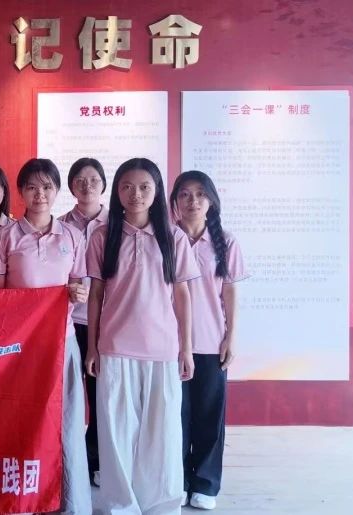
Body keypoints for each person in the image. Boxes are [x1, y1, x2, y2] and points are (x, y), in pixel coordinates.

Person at [84, 158, 200, 515]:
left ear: (157, 191)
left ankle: (160, 504)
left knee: (162, 434)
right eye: (127, 186)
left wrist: (186, 348)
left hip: (162, 349)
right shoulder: (103, 236)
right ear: (117, 191)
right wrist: (92, 347)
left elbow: (182, 295)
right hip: (115, 347)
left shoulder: (173, 237)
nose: (136, 194)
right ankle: (120, 504)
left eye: (144, 187)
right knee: (116, 434)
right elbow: (96, 295)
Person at [0, 158, 91, 515]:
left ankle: (69, 503)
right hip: (19, 347)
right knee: (22, 420)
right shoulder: (5, 236)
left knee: (66, 423)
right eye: (32, 187)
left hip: (62, 343)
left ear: (57, 191)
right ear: (20, 192)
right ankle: (19, 500)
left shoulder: (72, 236)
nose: (40, 194)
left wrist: (76, 292)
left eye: (47, 187)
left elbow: (79, 285)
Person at [170, 170, 246, 511]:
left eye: (200, 194)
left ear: (211, 201)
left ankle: (205, 483)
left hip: (211, 343)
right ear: (175, 201)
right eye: (185, 194)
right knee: (175, 417)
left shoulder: (225, 242)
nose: (193, 201)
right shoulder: (166, 239)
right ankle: (178, 481)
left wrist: (231, 337)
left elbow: (230, 292)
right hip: (169, 344)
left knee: (209, 417)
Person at [59, 157, 108, 486]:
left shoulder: (117, 223)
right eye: (79, 179)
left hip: (106, 322)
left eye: (93, 179)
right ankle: (68, 463)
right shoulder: (61, 225)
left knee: (101, 396)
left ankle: (96, 461)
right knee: (69, 398)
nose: (86, 185)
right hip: (66, 323)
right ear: (70, 186)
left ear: (103, 184)